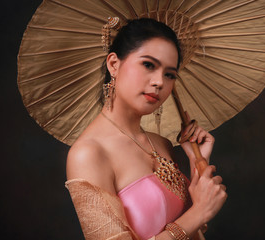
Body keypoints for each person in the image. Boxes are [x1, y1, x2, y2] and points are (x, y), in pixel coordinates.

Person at [65, 18, 227, 240]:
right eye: (148, 65)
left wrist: (198, 163)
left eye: (170, 74)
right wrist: (198, 213)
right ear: (113, 64)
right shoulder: (89, 154)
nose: (159, 82)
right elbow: (193, 219)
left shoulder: (162, 144)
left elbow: (191, 230)